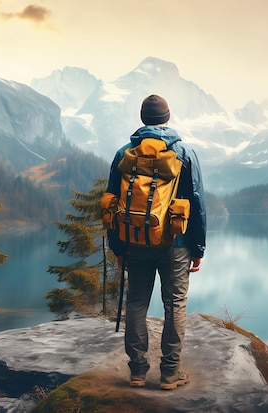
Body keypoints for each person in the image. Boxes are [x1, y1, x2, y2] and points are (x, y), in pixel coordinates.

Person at [105, 94, 207, 390]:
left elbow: (112, 202)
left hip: (135, 240)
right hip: (176, 244)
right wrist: (198, 248)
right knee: (174, 304)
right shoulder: (184, 153)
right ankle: (169, 373)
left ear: (142, 118)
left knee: (136, 302)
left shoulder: (125, 153)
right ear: (167, 117)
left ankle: (137, 372)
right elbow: (197, 202)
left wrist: (118, 247)